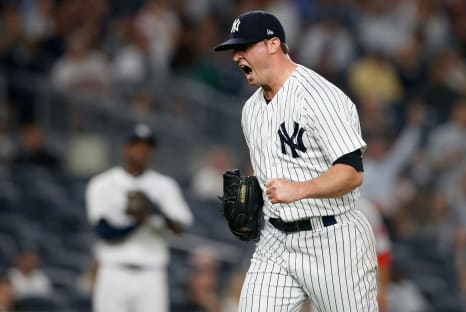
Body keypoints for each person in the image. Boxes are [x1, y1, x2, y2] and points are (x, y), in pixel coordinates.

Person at [214, 10, 378, 312]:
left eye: (244, 47)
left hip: (333, 240)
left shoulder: (320, 96)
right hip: (276, 239)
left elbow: (352, 172)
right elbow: (274, 171)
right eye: (234, 50)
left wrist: (301, 189)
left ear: (273, 44)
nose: (237, 57)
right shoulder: (250, 110)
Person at [85, 124, 194, 312]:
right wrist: (139, 220)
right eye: (136, 145)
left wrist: (153, 210)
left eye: (147, 146)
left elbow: (180, 227)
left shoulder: (165, 185)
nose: (141, 151)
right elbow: (104, 233)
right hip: (113, 271)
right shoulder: (102, 183)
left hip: (151, 274)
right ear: (126, 147)